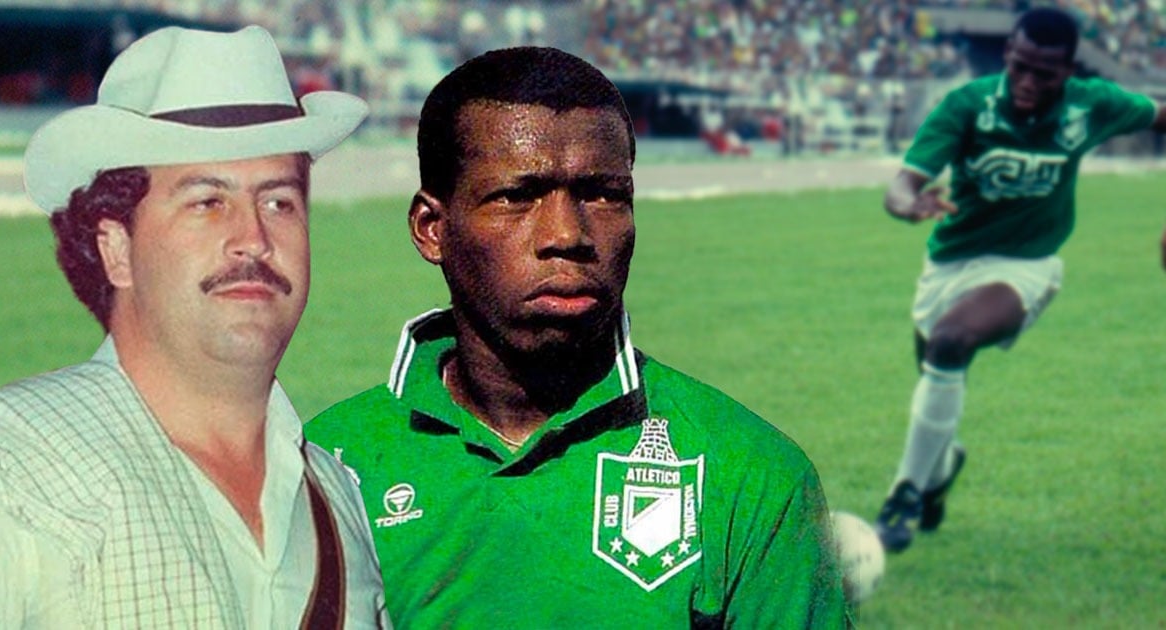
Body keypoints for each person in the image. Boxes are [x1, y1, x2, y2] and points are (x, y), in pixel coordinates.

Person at [305, 47, 847, 627]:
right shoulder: (324, 470)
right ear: (431, 228)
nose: (567, 234)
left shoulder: (749, 473)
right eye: (516, 196)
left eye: (603, 194)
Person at [0, 26, 391, 627]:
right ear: (117, 250)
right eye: (206, 202)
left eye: (279, 202)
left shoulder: (337, 498)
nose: (253, 239)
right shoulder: (7, 465)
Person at [874, 6, 1166, 553]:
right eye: (1020, 67)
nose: (1028, 82)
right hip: (950, 263)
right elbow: (902, 183)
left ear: (1069, 71)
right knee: (937, 368)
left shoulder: (1093, 104)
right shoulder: (969, 104)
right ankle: (939, 470)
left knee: (950, 341)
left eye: (1044, 73)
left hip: (1026, 265)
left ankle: (903, 496)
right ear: (1007, 54)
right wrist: (907, 204)